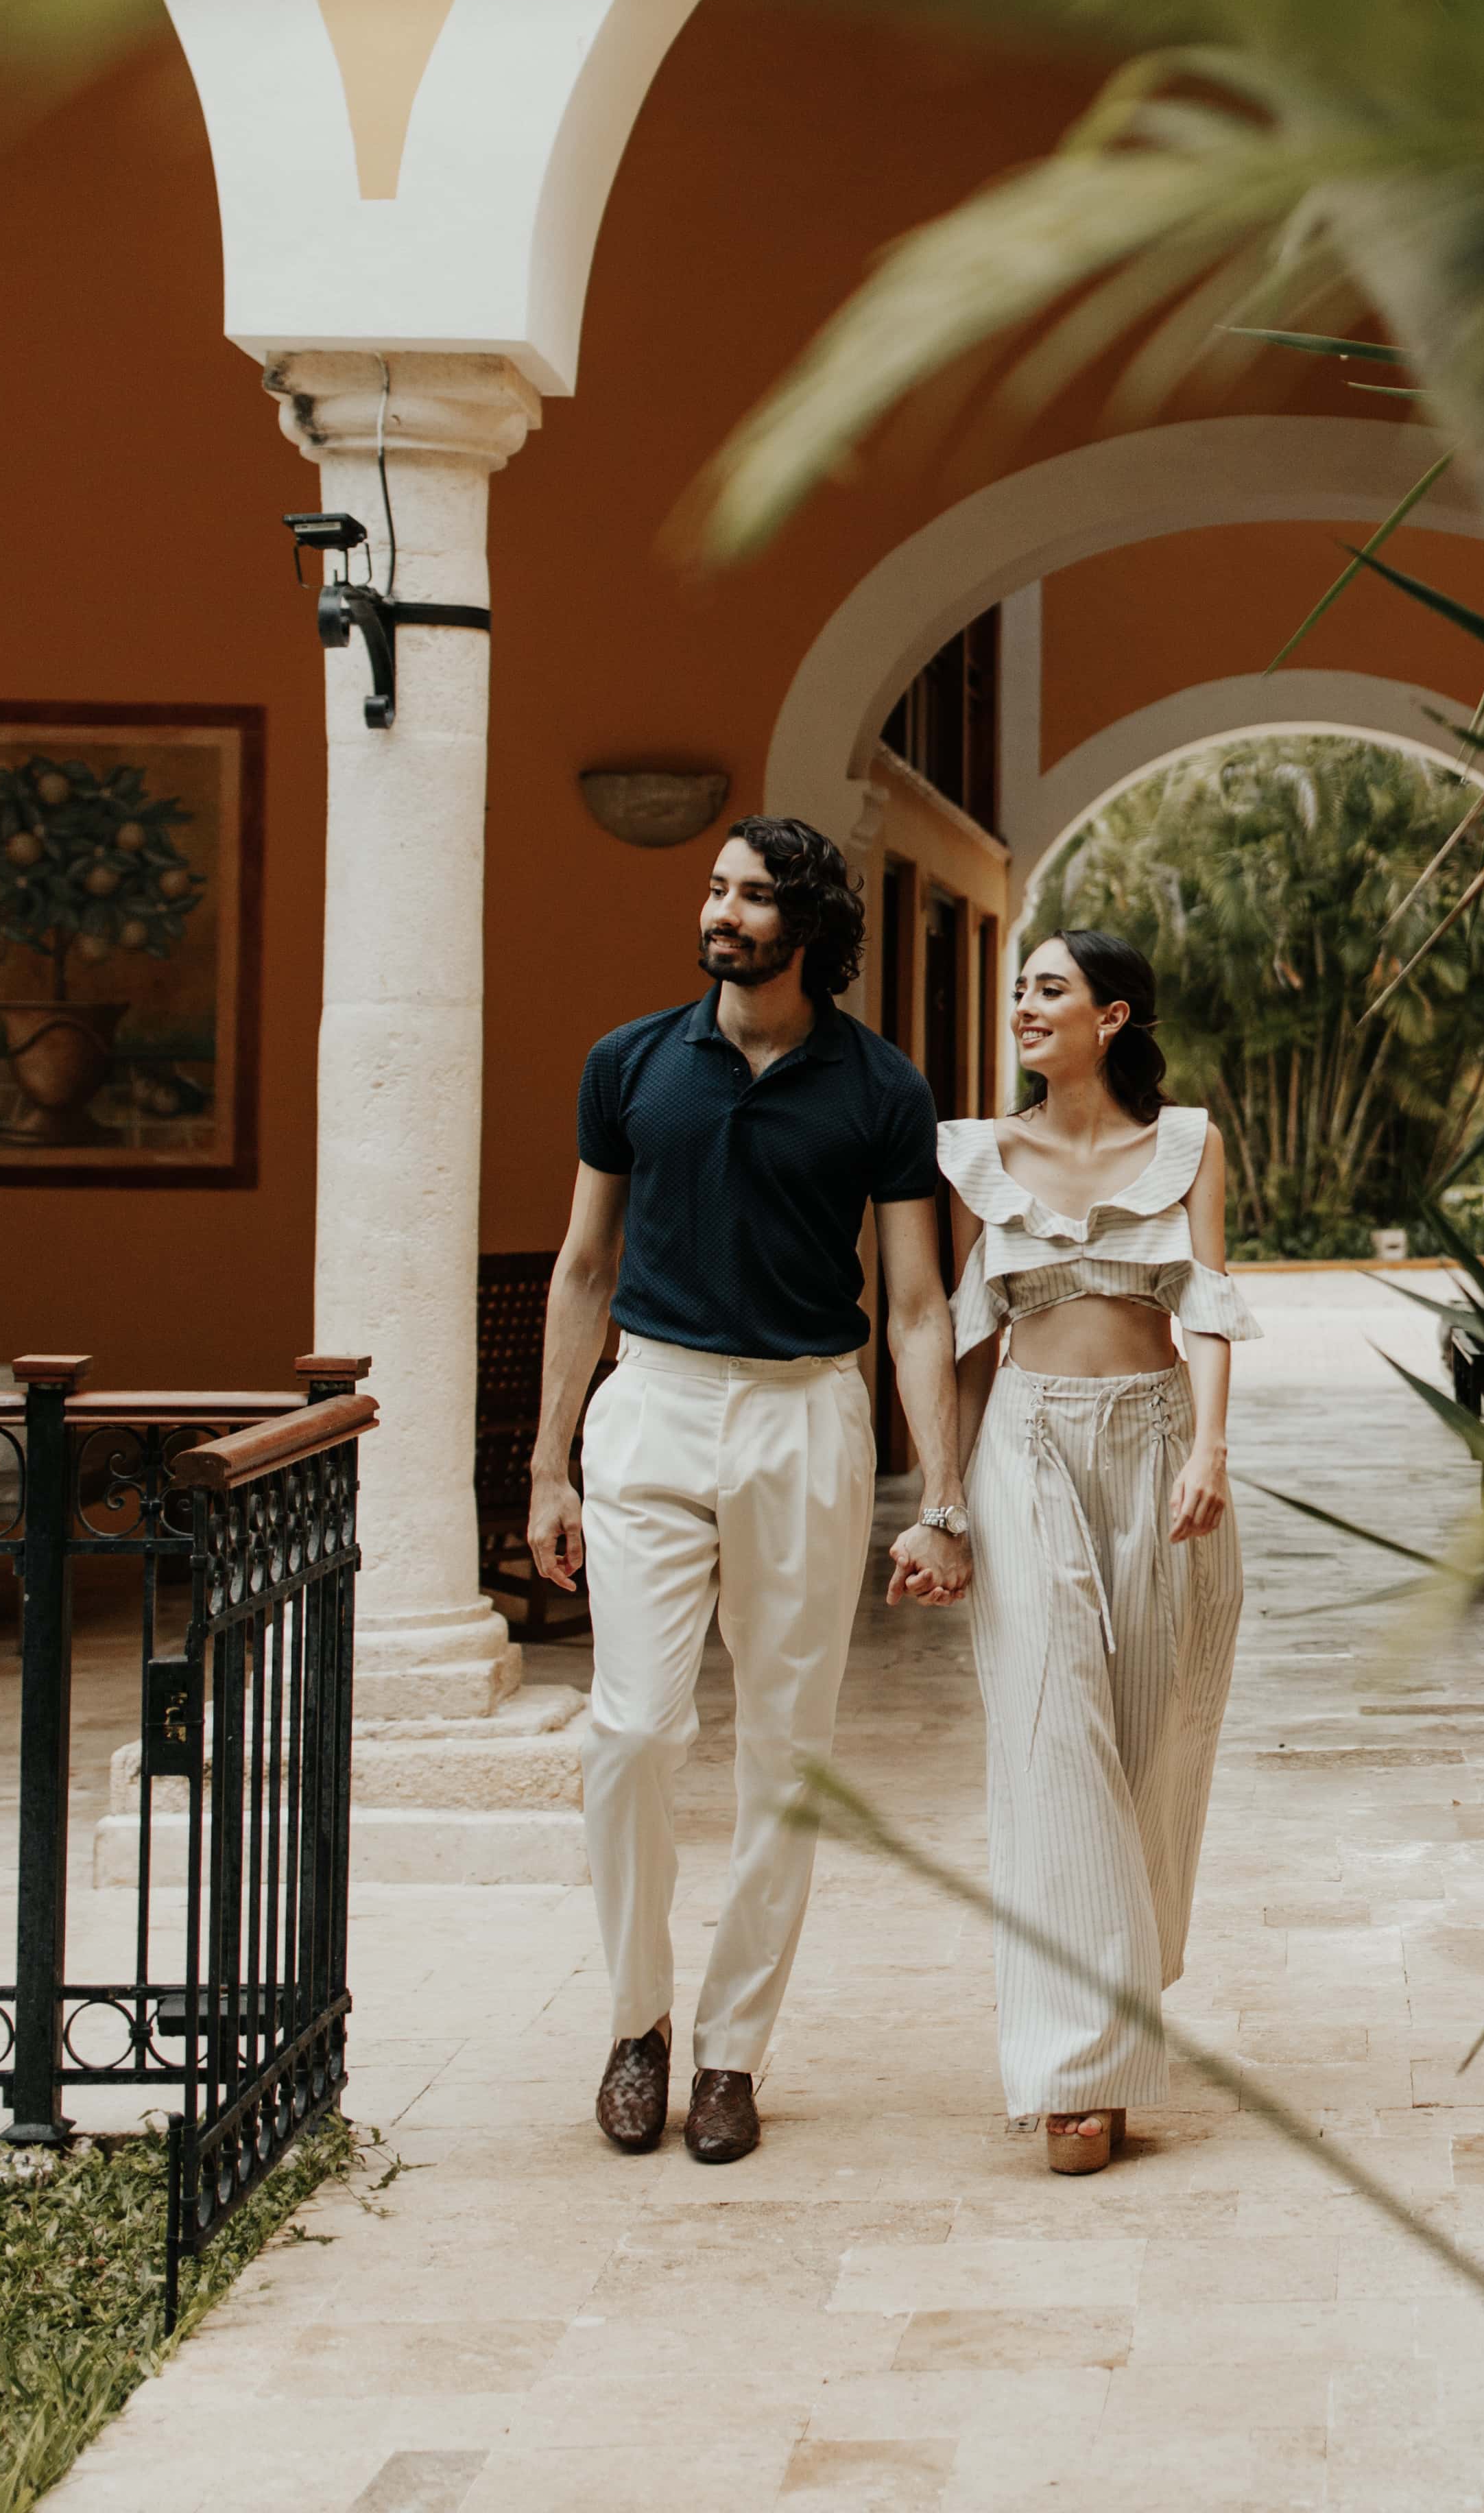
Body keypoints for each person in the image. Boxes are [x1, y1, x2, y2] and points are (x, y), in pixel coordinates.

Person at [528, 817, 959, 2168]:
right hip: (651, 1402)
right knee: (634, 1732)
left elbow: (921, 1301)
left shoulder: (882, 1087)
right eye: (717, 887)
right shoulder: (633, 1061)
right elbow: (584, 1267)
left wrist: (940, 1490)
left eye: (754, 894)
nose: (723, 911)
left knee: (788, 1747)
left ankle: (730, 2052)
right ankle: (636, 2023)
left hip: (804, 1411)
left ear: (811, 926)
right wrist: (547, 1463)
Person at [884, 925, 1250, 2177]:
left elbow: (1204, 1301)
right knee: (1053, 1738)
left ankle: (1117, 1988)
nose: (1023, 1008)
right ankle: (1073, 2073)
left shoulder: (1189, 1143)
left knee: (1155, 1742)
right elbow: (955, 1340)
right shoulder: (975, 1157)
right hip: (1026, 1452)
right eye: (1020, 991)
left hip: (1160, 1453)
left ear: (1116, 1016)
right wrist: (942, 1506)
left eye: (1049, 989)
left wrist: (1209, 1448)